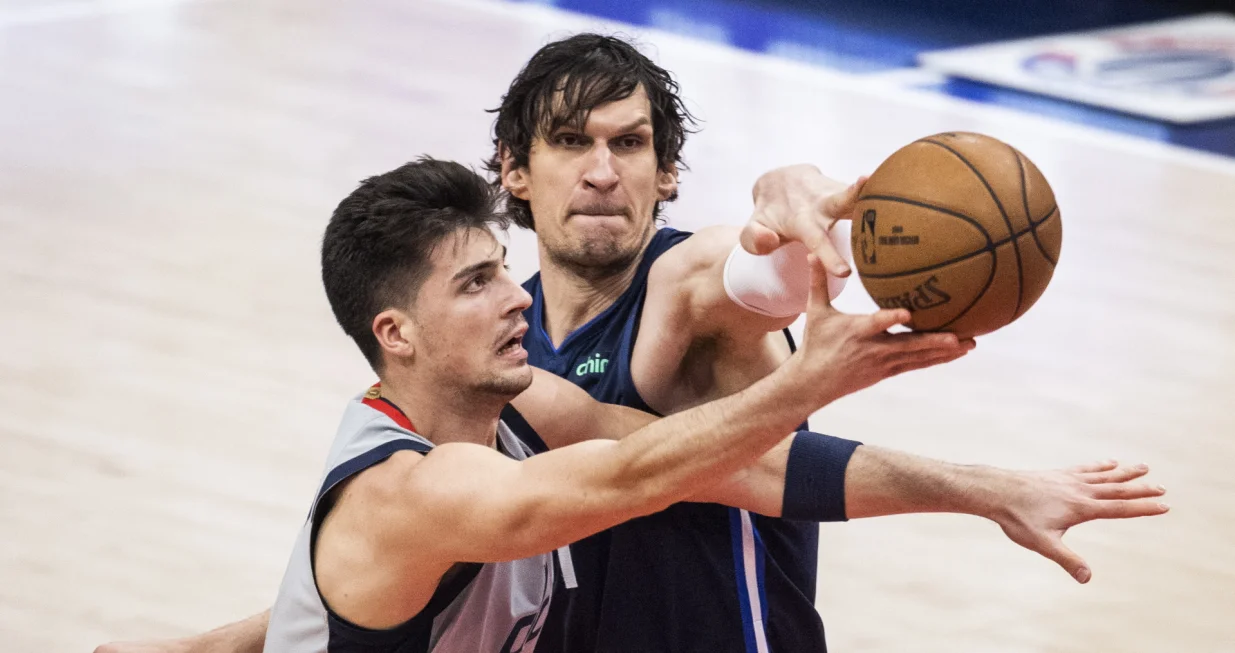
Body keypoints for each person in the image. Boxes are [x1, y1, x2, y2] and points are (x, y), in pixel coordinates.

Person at [95, 34, 1168, 653]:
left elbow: (752, 276)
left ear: (665, 174)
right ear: (514, 170)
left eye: (630, 144)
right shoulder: (493, 356)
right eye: (570, 143)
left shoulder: (679, 289)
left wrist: (789, 206)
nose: (601, 169)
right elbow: (377, 592)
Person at [267, 156, 968, 652]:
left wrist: (994, 493)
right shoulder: (408, 491)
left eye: (505, 270)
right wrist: (807, 381)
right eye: (477, 283)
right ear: (397, 333)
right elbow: (630, 477)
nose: (517, 296)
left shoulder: (521, 405)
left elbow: (745, 468)